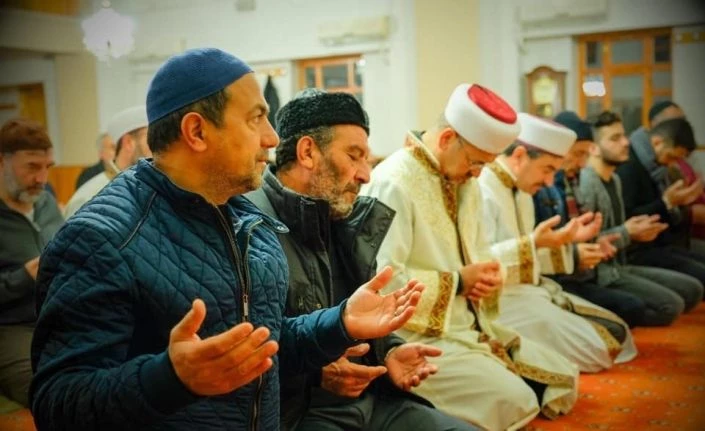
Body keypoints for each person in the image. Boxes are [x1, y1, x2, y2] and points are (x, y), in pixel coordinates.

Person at [30, 48, 425, 431]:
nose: (272, 139)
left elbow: (263, 344)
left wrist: (339, 322)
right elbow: (57, 403)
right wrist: (168, 378)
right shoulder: (102, 236)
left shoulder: (248, 223)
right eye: (256, 119)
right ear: (197, 131)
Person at [246, 88, 476, 431]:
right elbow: (243, 350)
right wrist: (316, 374)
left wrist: (390, 351)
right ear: (307, 152)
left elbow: (363, 314)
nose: (366, 175)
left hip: (374, 398)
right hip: (300, 413)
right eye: (354, 156)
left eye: (366, 159)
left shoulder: (343, 218)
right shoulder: (252, 227)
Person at [362, 83, 579, 430]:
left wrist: (486, 278)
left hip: (467, 322)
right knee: (518, 402)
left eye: (485, 165)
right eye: (476, 162)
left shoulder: (467, 182)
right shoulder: (392, 182)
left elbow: (478, 254)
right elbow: (381, 283)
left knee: (563, 377)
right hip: (416, 337)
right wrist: (460, 282)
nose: (479, 173)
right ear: (448, 138)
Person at [477, 112, 637, 373]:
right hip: (500, 303)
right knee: (597, 350)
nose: (550, 182)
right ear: (519, 156)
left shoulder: (523, 191)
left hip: (532, 291)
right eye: (548, 169)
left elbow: (531, 252)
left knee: (617, 332)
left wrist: (565, 242)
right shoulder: (482, 190)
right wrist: (533, 243)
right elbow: (478, 261)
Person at [533, 111, 646, 327]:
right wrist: (577, 253)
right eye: (577, 154)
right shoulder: (545, 186)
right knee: (631, 311)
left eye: (585, 155)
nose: (583, 163)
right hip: (558, 279)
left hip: (581, 272)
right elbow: (537, 245)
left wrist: (594, 243)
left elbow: (572, 236)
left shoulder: (571, 181)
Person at [0, 118, 63, 408]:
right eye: (32, 167)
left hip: (61, 316)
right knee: (51, 395)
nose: (42, 179)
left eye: (47, 167)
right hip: (12, 327)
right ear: (2, 162)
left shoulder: (46, 203)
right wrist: (24, 277)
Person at [617, 115, 705, 289]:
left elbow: (668, 221)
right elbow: (628, 217)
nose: (671, 164)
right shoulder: (629, 165)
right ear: (657, 142)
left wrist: (679, 204)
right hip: (635, 250)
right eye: (671, 157)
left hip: (661, 243)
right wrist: (666, 202)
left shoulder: (658, 168)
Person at [64, 105, 150, 218]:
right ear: (129, 142)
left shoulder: (151, 186)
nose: (159, 145)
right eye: (151, 137)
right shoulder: (89, 198)